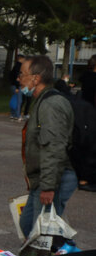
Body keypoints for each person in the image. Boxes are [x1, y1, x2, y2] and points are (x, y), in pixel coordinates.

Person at [17, 55, 77, 239]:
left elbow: (54, 146)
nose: (18, 78)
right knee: (28, 225)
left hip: (54, 177)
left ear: (36, 78)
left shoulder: (51, 104)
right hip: (43, 177)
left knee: (42, 235)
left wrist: (49, 187)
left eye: (22, 74)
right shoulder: (43, 100)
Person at [10, 54, 24, 120]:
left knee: (14, 100)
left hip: (13, 85)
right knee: (19, 101)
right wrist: (18, 87)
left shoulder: (15, 66)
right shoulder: (19, 67)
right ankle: (17, 115)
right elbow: (17, 78)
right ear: (21, 59)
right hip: (17, 86)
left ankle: (12, 114)